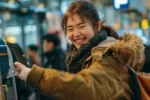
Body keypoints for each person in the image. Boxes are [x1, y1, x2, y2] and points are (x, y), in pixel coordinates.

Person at [14, 1, 145, 100]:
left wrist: (32, 75)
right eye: (70, 29)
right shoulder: (82, 55)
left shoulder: (108, 54)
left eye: (81, 26)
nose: (76, 34)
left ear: (97, 26)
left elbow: (86, 86)